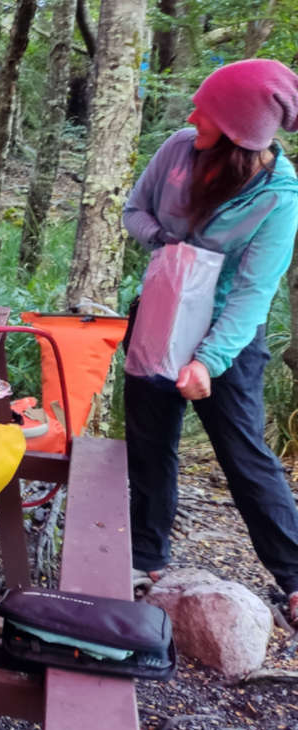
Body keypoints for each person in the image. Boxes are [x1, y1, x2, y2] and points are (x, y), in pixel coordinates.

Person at [122, 58, 298, 622]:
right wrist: (166, 243)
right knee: (149, 445)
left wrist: (208, 361)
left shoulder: (277, 194)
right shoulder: (178, 150)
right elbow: (134, 210)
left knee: (244, 456)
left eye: (207, 112)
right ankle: (146, 558)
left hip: (228, 337)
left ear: (240, 131)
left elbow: (253, 292)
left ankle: (294, 577)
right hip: (158, 315)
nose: (192, 117)